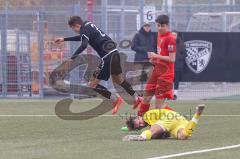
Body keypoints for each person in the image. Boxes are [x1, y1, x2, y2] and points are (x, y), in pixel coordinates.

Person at [55, 16, 142, 114]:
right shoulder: (88, 25)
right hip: (115, 54)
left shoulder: (84, 29)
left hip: (107, 57)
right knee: (118, 80)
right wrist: (64, 39)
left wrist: (72, 58)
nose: (74, 31)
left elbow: (84, 44)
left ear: (76, 26)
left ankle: (114, 99)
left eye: (73, 29)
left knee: (92, 84)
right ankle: (137, 97)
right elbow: (82, 38)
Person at [137, 15, 176, 116]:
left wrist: (156, 55)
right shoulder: (159, 35)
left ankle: (180, 119)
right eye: (158, 25)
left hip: (165, 75)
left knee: (159, 107)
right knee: (146, 98)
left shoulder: (170, 38)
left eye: (162, 26)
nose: (159, 28)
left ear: (167, 25)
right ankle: (139, 121)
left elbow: (172, 59)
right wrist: (154, 59)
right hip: (156, 71)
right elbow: (162, 54)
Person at [123, 104, 205, 141]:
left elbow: (153, 131)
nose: (142, 124)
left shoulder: (147, 116)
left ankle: (142, 137)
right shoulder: (150, 121)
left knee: (152, 132)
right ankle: (197, 114)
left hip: (170, 117)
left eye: (139, 122)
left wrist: (147, 135)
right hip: (178, 120)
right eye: (140, 126)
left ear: (138, 117)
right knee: (183, 136)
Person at [172, 31, 186, 100]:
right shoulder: (168, 43)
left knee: (176, 80)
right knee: (169, 80)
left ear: (177, 36)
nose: (173, 36)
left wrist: (177, 59)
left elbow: (184, 55)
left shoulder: (181, 44)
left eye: (175, 35)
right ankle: (169, 94)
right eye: (172, 35)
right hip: (169, 66)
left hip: (177, 66)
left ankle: (175, 94)